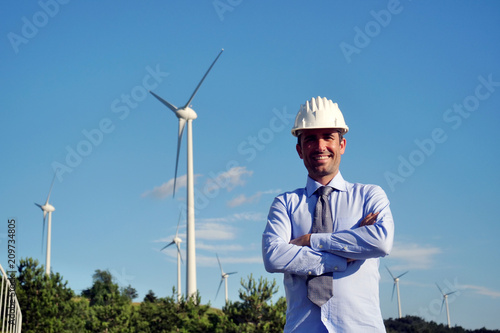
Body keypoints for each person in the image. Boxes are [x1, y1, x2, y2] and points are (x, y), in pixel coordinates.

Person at [262, 96, 394, 332]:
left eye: (328, 137)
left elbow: (381, 242)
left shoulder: (369, 196)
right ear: (299, 150)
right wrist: (344, 256)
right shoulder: (285, 204)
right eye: (310, 139)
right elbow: (273, 256)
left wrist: (310, 241)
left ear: (342, 145)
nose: (320, 146)